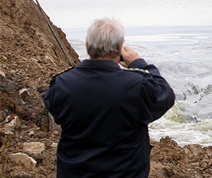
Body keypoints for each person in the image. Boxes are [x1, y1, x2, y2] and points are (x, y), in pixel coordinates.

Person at [44, 18, 175, 177]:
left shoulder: (61, 84)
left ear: (87, 44)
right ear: (120, 49)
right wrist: (139, 63)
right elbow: (165, 94)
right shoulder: (138, 86)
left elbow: (53, 108)